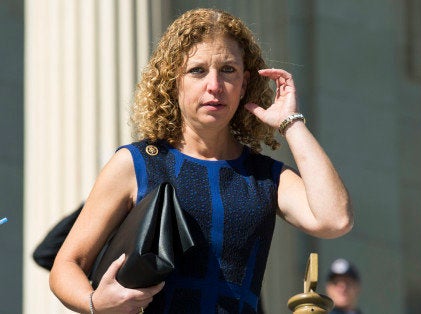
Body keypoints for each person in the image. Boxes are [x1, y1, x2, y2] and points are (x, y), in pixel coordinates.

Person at [49, 8, 353, 314]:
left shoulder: (264, 176)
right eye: (197, 70)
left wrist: (291, 122)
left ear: (245, 84)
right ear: (174, 80)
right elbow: (66, 265)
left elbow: (334, 219)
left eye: (228, 70)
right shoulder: (136, 163)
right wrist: (95, 302)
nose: (214, 85)